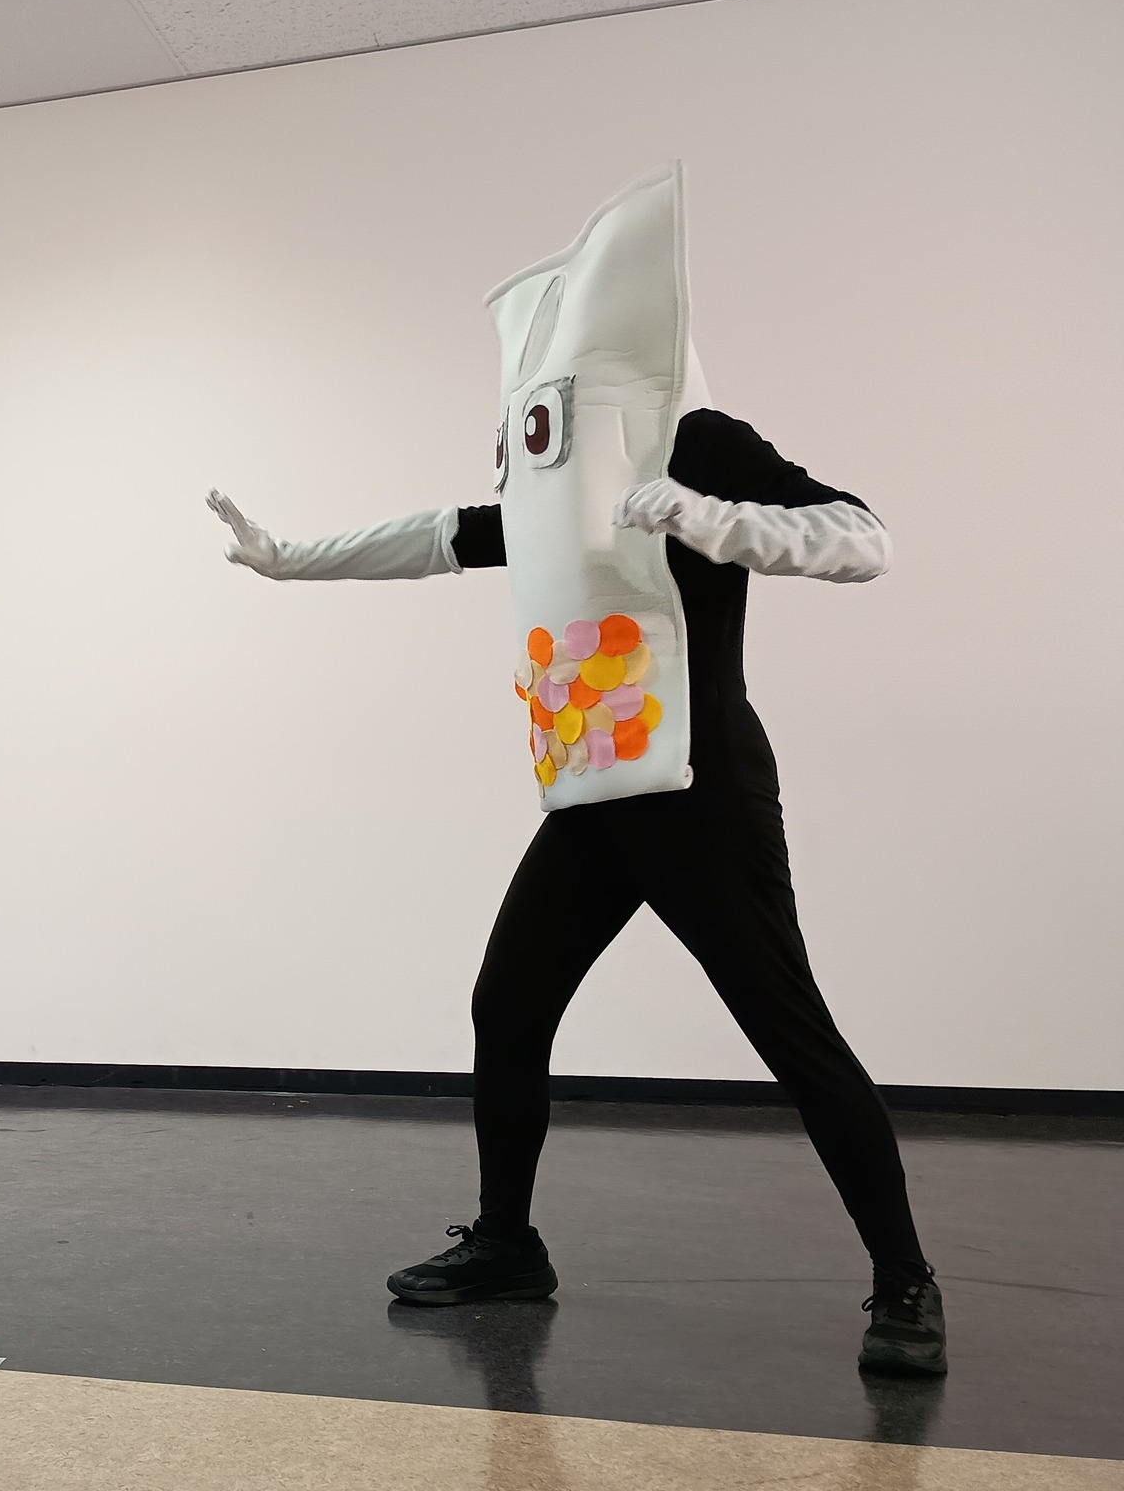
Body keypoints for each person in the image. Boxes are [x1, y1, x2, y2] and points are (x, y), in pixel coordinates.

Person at [207, 166, 945, 1377]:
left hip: (700, 792)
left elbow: (861, 537)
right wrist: (289, 557)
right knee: (507, 1004)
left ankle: (904, 1284)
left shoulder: (699, 439)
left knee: (790, 1034)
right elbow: (449, 535)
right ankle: (506, 1242)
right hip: (598, 790)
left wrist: (711, 519)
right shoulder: (560, 470)